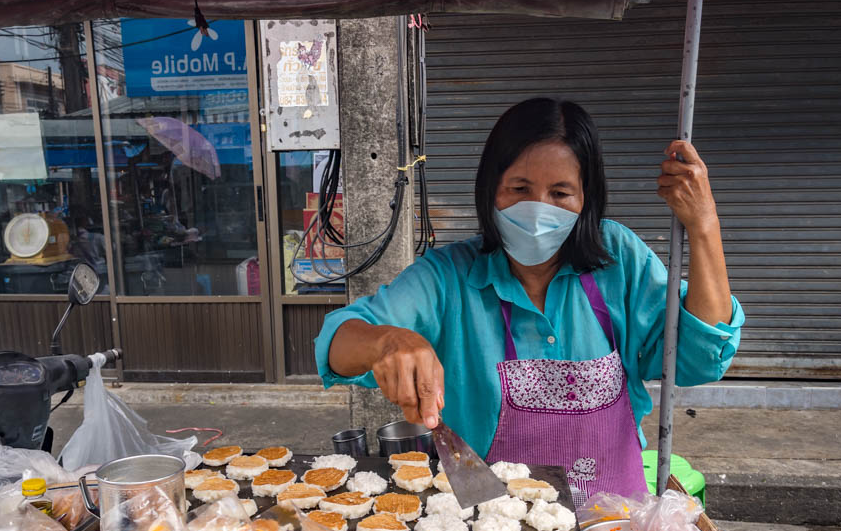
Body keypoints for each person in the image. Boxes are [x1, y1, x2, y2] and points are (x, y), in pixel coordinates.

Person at [314, 98, 744, 503]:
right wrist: (385, 342)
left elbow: (699, 358)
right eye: (519, 188)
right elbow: (337, 343)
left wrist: (703, 226)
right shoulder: (448, 277)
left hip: (613, 521)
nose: (538, 210)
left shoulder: (619, 259)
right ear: (490, 189)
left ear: (586, 198)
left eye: (560, 194)